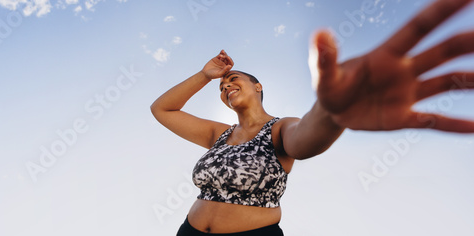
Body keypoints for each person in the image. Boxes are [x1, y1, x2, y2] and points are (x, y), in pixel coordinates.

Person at [150, 0, 474, 235]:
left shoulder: (279, 128)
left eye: (234, 80)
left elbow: (305, 139)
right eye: (221, 87)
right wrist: (205, 75)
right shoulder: (218, 134)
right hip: (189, 231)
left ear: (258, 86)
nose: (227, 86)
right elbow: (162, 109)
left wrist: (333, 114)